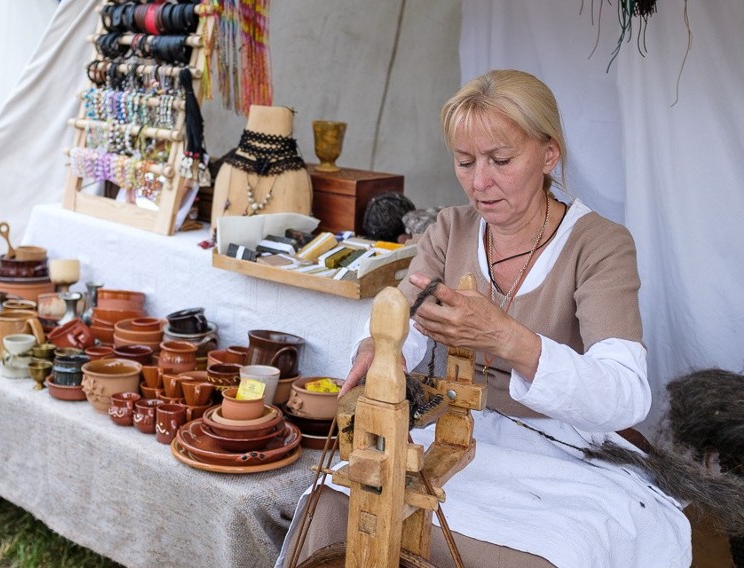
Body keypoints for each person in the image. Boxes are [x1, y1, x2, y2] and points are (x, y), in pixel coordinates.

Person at [277, 70, 691, 568]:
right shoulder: (451, 230)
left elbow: (624, 395)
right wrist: (379, 348)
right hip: (453, 431)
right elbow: (405, 318)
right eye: (465, 161)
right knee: (333, 508)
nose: (479, 182)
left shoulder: (598, 245)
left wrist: (508, 338)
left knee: (541, 557)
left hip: (560, 453)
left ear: (548, 154)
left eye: (501, 160)